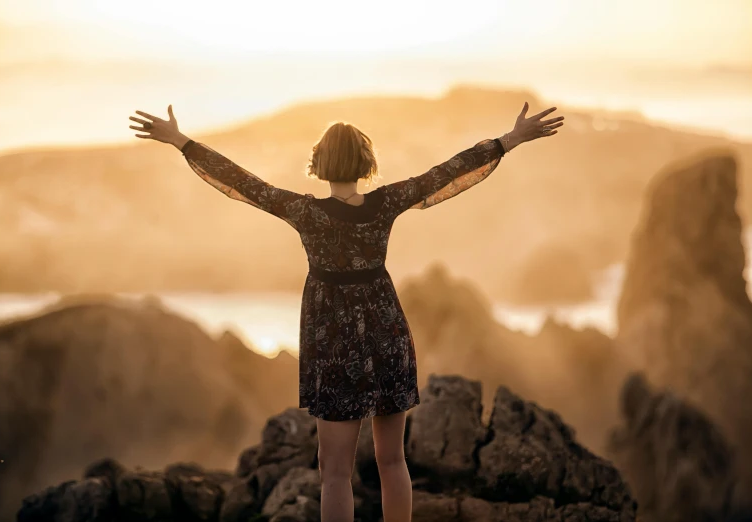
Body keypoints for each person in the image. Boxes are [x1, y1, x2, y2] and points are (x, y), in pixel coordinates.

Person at [128, 102, 563, 521]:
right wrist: (509, 139)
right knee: (393, 461)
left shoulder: (304, 211)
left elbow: (242, 182)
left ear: (317, 164)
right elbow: (447, 172)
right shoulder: (387, 203)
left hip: (332, 343)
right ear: (367, 163)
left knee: (334, 471)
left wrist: (182, 142)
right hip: (386, 332)